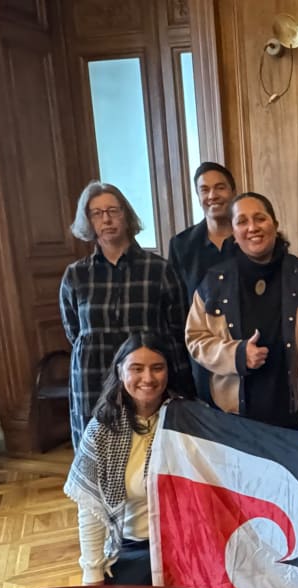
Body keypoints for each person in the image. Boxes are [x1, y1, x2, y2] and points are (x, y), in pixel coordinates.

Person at [59, 181, 192, 448]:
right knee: (96, 449)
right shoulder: (76, 274)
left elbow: (178, 328)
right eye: (97, 213)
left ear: (126, 215)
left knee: (150, 448)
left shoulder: (159, 269)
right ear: (88, 221)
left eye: (113, 211)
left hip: (146, 375)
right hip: (92, 372)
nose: (106, 219)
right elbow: (74, 331)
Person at [185, 191, 298, 429]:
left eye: (260, 218)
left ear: (275, 224)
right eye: (242, 221)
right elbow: (195, 339)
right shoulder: (214, 281)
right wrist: (237, 354)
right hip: (236, 417)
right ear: (233, 232)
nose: (252, 227)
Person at [63, 333, 184, 585]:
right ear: (120, 372)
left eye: (157, 368)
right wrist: (92, 574)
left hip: (187, 547)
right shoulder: (102, 431)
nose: (148, 378)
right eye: (136, 369)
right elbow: (90, 509)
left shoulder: (191, 422)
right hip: (132, 548)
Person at [168, 162, 239, 404]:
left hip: (245, 349)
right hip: (201, 354)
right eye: (204, 189)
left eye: (220, 187)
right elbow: (177, 308)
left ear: (233, 191)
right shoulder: (182, 245)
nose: (212, 195)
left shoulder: (248, 238)